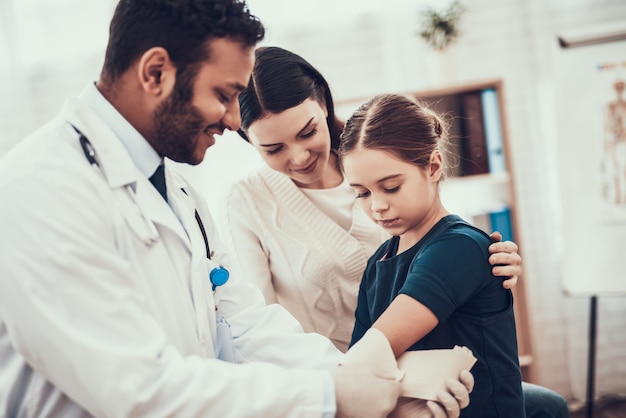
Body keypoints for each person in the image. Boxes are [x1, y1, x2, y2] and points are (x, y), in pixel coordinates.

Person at [0, 1, 474, 417]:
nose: (233, 121)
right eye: (224, 95)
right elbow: (136, 391)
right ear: (155, 72)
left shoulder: (178, 193)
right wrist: (331, 396)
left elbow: (246, 324)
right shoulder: (41, 189)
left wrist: (376, 384)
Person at [222, 46, 570, 417]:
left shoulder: (377, 156)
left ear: (323, 103)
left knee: (546, 407)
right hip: (337, 377)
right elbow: (259, 330)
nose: (299, 157)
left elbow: (439, 239)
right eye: (273, 148)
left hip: (417, 368)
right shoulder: (249, 204)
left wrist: (489, 259)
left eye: (307, 133)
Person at [339, 93, 525, 417]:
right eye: (362, 193)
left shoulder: (459, 248)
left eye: (391, 186)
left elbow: (369, 359)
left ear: (433, 166)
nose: (377, 205)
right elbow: (360, 371)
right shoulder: (377, 264)